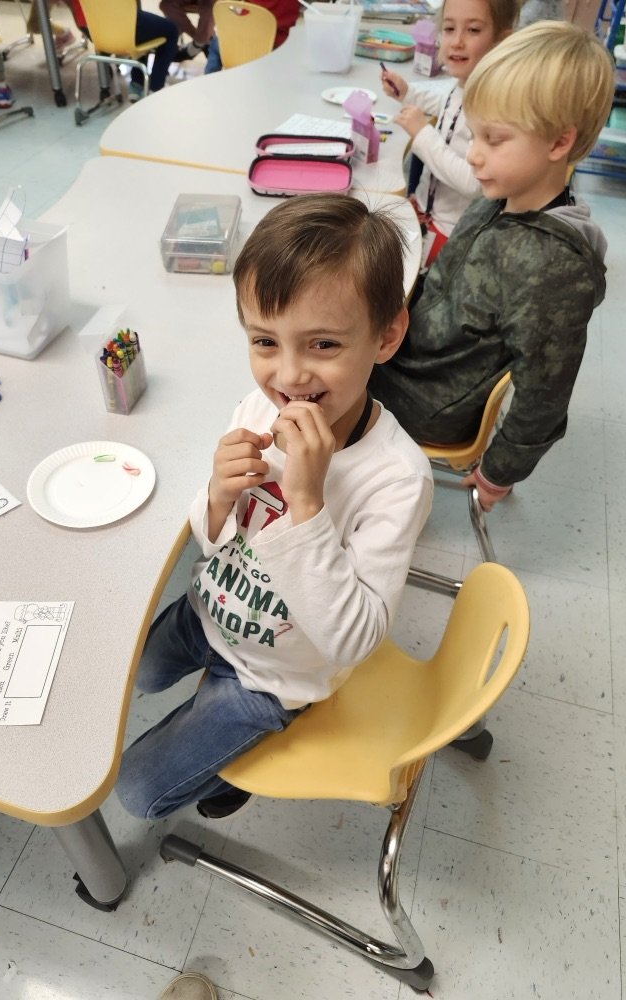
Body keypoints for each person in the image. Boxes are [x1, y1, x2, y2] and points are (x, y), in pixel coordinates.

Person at [117, 195, 433, 822]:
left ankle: (237, 759)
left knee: (138, 795)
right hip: (210, 611)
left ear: (386, 335)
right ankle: (214, 731)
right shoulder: (257, 408)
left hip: (277, 677)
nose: (288, 375)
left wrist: (308, 505)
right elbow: (211, 542)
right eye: (265, 340)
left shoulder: (397, 478)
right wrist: (217, 495)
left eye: (322, 344)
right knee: (138, 677)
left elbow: (353, 641)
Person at [370, 20, 615, 513]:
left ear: (558, 143)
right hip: (417, 356)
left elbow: (544, 397)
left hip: (427, 401)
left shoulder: (552, 270)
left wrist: (500, 471)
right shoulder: (503, 197)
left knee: (302, 375)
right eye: (474, 134)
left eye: (494, 139)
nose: (475, 155)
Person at [380, 0, 518, 270]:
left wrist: (422, 134)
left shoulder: (493, 106)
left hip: (450, 235)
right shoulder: (464, 84)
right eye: (449, 28)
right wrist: (407, 91)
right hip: (424, 216)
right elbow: (444, 100)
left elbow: (473, 183)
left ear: (502, 42)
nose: (457, 41)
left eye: (474, 30)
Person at [204, 0, 299, 74]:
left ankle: (207, 81)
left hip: (244, 46)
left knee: (216, 43)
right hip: (276, 50)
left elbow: (246, 12)